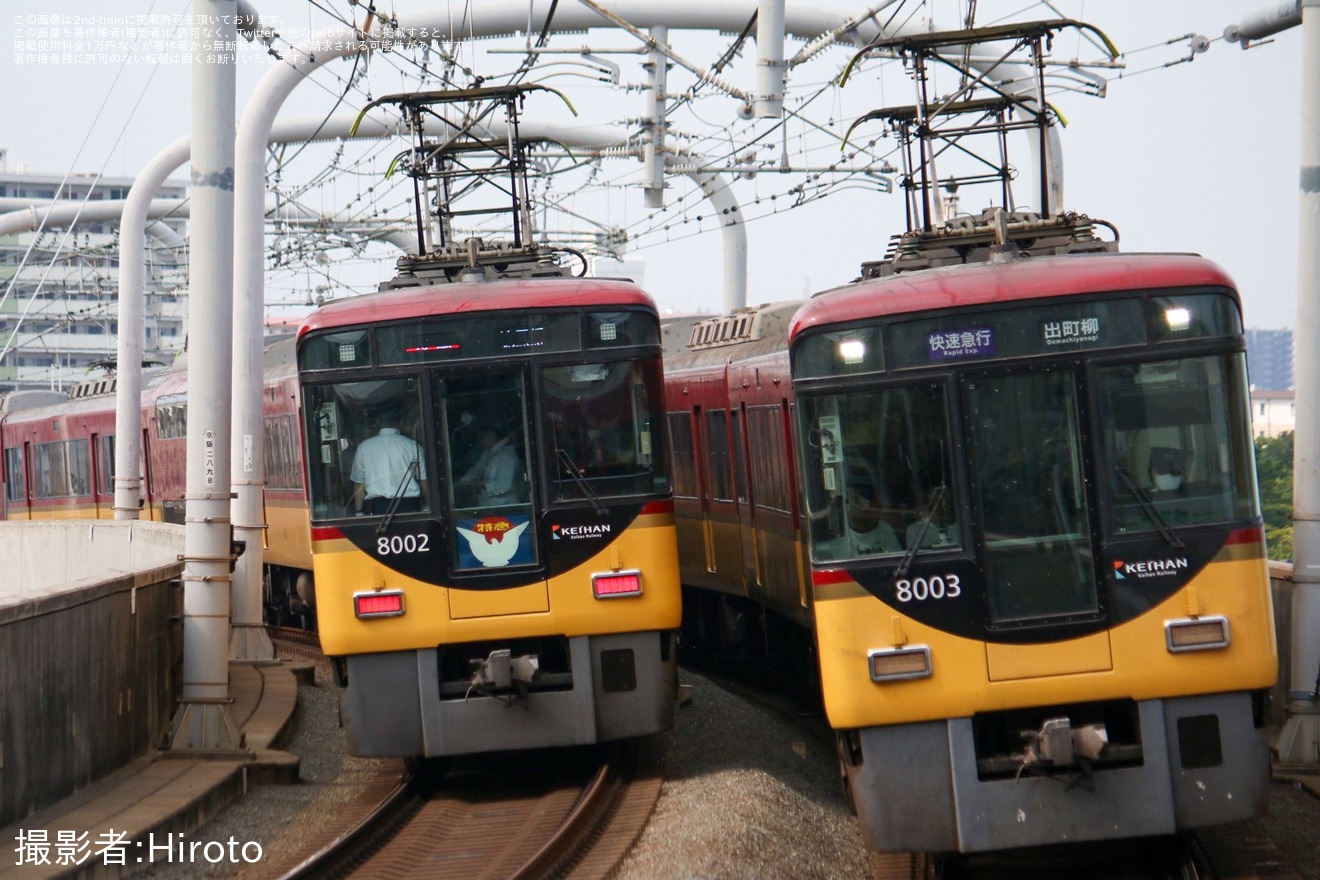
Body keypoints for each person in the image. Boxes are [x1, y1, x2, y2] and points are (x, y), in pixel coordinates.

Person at [349, 415, 427, 515]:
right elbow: (424, 481)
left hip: (377, 509)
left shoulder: (364, 447)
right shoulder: (413, 446)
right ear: (401, 421)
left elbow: (359, 483)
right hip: (409, 506)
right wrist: (427, 505)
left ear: (377, 422)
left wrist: (359, 511)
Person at [459, 426, 522, 506]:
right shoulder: (487, 454)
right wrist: (463, 481)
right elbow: (476, 470)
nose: (480, 440)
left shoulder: (506, 455)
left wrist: (482, 485)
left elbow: (504, 486)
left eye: (483, 436)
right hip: (487, 505)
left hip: (504, 507)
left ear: (492, 435)